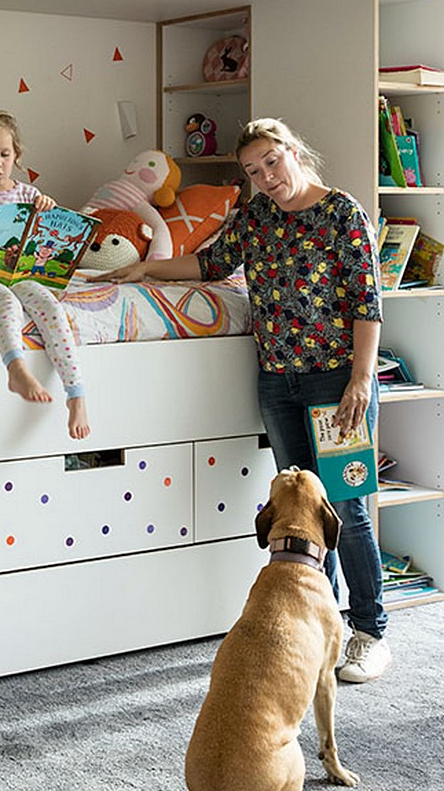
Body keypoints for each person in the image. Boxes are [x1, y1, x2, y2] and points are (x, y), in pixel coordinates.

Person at [101, 117, 391, 684]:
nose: (267, 177)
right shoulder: (256, 216)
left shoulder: (341, 213)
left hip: (336, 381)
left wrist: (361, 378)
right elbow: (211, 264)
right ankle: (318, 623)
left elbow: (367, 301)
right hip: (277, 378)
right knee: (298, 512)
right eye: (255, 171)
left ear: (292, 151)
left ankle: (370, 632)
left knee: (347, 510)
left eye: (272, 162)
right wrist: (147, 269)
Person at [0, 108, 90, 440]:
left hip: (22, 273)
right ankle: (16, 369)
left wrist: (49, 213)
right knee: (7, 304)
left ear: (16, 155)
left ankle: (76, 394)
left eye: (5, 155)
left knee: (51, 307)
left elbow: (47, 240)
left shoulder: (30, 195)